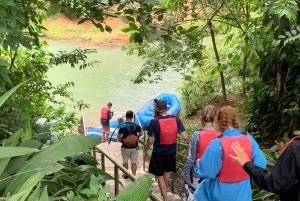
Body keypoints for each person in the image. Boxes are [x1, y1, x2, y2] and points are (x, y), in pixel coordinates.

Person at [193, 106, 267, 201]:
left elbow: (207, 171)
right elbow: (261, 165)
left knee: (200, 193)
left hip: (221, 193)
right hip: (243, 193)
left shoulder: (217, 143)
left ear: (219, 122)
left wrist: (199, 163)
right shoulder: (249, 138)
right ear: (235, 120)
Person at [143, 100, 190, 201]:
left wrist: (145, 151)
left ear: (156, 110)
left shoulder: (154, 122)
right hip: (171, 151)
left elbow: (150, 141)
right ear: (166, 108)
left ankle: (165, 197)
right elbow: (185, 136)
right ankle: (164, 192)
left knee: (159, 175)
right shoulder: (176, 119)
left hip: (159, 152)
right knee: (167, 171)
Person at [230, 135, 300, 201]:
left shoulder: (295, 147)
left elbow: (276, 183)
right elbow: (261, 163)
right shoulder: (248, 138)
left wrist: (247, 164)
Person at [181, 105, 220, 190]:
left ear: (202, 118)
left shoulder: (197, 134)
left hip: (198, 173)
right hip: (214, 174)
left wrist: (184, 175)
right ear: (214, 119)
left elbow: (191, 157)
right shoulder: (219, 135)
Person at [118, 110, 143, 179]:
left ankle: (126, 175)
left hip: (125, 147)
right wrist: (135, 137)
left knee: (125, 161)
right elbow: (141, 134)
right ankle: (133, 176)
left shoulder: (122, 126)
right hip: (134, 147)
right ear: (132, 117)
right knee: (134, 162)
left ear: (126, 117)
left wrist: (123, 139)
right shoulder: (136, 125)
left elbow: (119, 137)